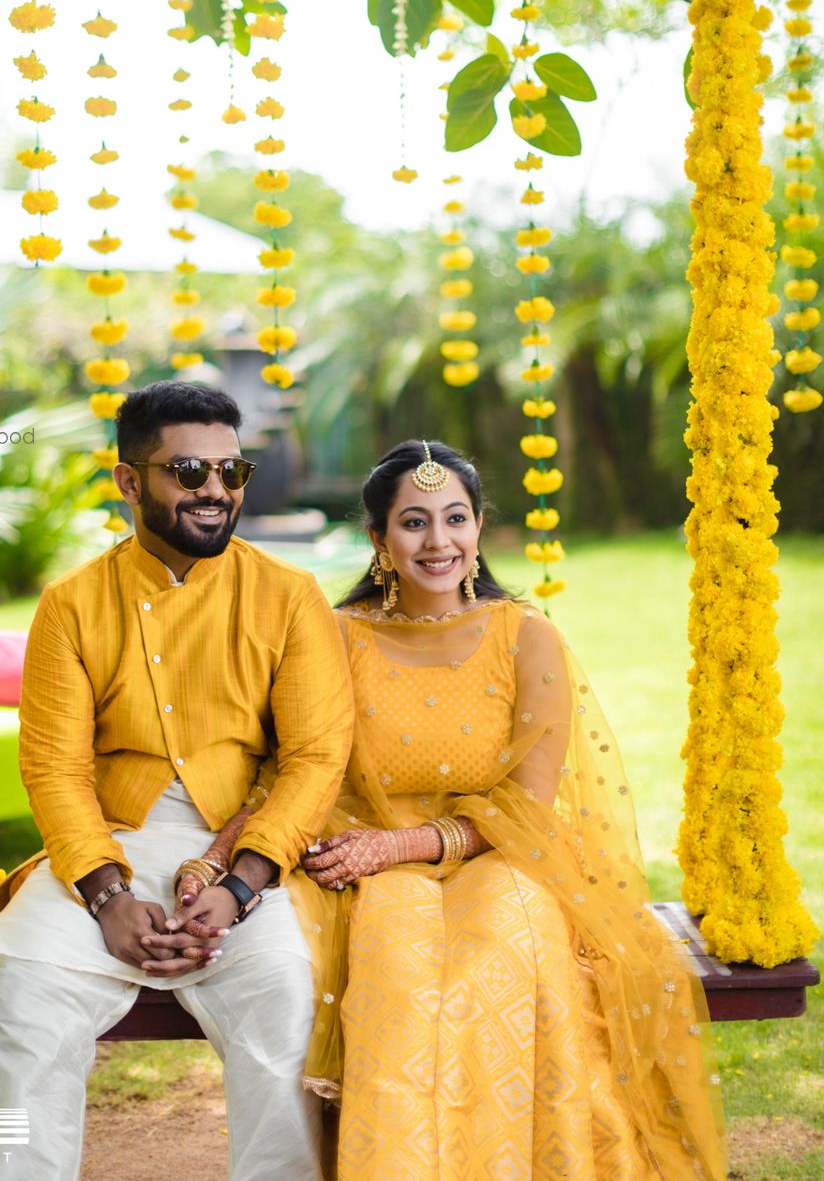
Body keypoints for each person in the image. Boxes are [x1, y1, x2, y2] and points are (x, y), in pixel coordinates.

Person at [286, 439, 727, 1181]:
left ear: (480, 527)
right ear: (377, 540)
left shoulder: (526, 637)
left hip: (500, 853)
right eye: (414, 522)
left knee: (508, 942)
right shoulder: (337, 639)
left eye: (456, 518)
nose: (439, 542)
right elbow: (301, 764)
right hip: (364, 863)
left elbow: (527, 803)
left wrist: (403, 847)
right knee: (396, 960)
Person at [0, 381, 354, 1181]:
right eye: (189, 470)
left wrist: (243, 887)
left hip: (241, 851)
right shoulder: (71, 607)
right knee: (31, 996)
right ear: (129, 481)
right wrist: (107, 898)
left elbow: (317, 757)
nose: (216, 490)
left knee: (283, 993)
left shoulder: (288, 598)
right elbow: (53, 768)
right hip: (103, 849)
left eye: (232, 470)